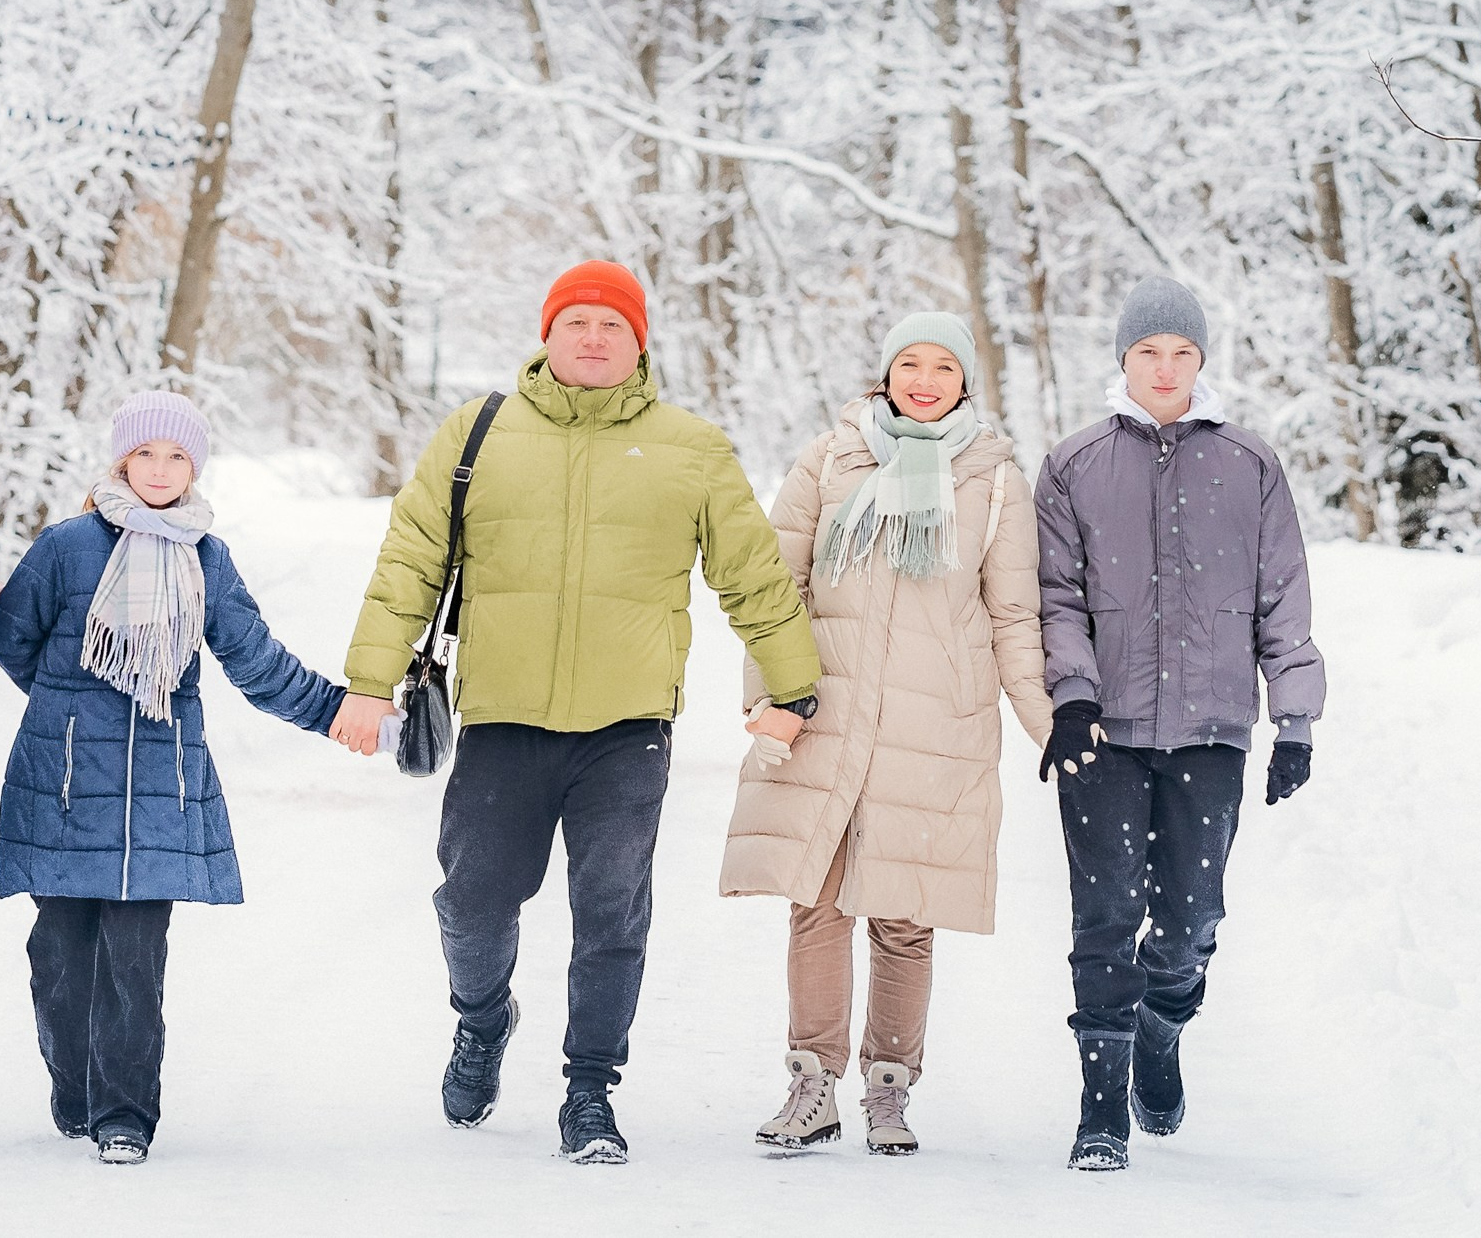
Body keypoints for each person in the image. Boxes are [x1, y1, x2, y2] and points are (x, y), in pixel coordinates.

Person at [341, 261, 821, 1164]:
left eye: (613, 325)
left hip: (628, 728)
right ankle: (483, 1018)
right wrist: (370, 683)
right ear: (548, 333)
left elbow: (753, 576)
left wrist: (792, 688)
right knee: (473, 902)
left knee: (611, 917)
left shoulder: (691, 448)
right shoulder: (478, 433)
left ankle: (590, 1090)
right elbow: (409, 561)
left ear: (639, 343)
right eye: (578, 322)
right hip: (502, 718)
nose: (594, 338)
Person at [0, 391, 382, 1166]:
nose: (160, 470)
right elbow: (11, 636)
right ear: (121, 460)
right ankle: (76, 1091)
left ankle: (125, 1115)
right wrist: (71, 711)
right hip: (65, 786)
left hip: (159, 796)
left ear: (194, 468)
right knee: (60, 958)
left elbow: (256, 662)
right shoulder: (66, 547)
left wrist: (336, 711)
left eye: (177, 457)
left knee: (135, 963)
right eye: (146, 454)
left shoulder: (207, 559)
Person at [721, 313, 1052, 1156]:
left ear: (965, 381)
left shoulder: (995, 479)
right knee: (817, 902)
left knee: (905, 916)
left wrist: (1045, 722)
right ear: (886, 372)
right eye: (910, 363)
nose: (925, 380)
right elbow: (776, 589)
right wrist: (769, 698)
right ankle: (811, 1085)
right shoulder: (830, 459)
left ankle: (889, 1090)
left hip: (934, 725)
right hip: (828, 714)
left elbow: (1014, 613)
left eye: (944, 366)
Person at [1035, 278, 1326, 1170]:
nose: (1165, 369)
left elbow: (1283, 597)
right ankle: (1100, 1110)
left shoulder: (1249, 464)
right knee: (1103, 916)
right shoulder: (1075, 465)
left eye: (1181, 353)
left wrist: (1296, 718)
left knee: (1190, 920)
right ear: (1123, 359)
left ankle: (1162, 1024)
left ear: (1201, 360)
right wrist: (1072, 694)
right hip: (1104, 733)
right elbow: (1056, 596)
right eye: (1148, 352)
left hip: (1210, 730)